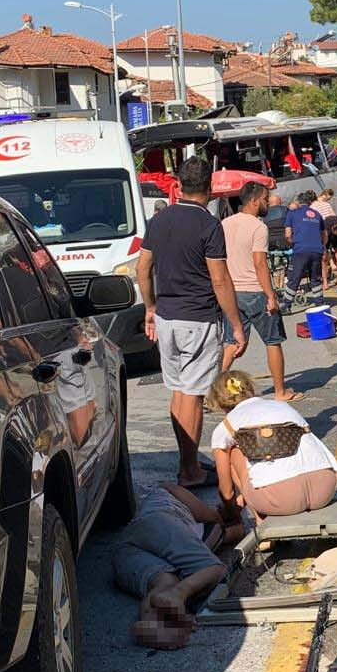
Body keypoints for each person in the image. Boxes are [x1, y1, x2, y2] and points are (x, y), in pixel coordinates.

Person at [137, 156, 247, 487]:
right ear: (210, 188)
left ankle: (187, 462)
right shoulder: (209, 225)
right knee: (193, 395)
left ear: (178, 184)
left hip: (167, 317)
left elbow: (142, 269)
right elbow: (220, 280)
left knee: (178, 391)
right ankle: (189, 470)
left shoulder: (159, 220)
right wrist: (237, 324)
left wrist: (150, 307)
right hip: (198, 318)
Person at [112, 483, 231, 650]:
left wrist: (228, 521)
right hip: (158, 520)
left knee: (166, 581)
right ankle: (178, 594)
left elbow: (231, 533)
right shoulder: (168, 492)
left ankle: (150, 622)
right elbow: (209, 514)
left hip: (127, 550)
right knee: (217, 570)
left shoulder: (203, 533)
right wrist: (223, 514)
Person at [209, 370, 337, 520]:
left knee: (233, 451)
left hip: (279, 499)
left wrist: (230, 514)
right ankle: (251, 499)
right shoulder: (281, 406)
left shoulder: (226, 425)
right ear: (250, 389)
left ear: (219, 402)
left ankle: (260, 521)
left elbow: (226, 492)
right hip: (325, 489)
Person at [220, 182, 301, 402]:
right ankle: (280, 391)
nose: (267, 202)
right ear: (254, 200)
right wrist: (271, 296)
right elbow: (260, 264)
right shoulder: (258, 227)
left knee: (232, 342)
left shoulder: (225, 224)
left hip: (232, 292)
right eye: (265, 199)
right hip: (255, 291)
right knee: (272, 341)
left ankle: (214, 392)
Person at [285, 191, 325, 297]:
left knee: (295, 277)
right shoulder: (317, 214)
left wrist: (293, 243)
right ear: (309, 203)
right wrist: (322, 245)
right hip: (317, 250)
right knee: (315, 278)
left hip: (300, 249)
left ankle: (286, 304)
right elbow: (324, 234)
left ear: (298, 202)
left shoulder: (292, 213)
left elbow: (288, 235)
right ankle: (320, 303)